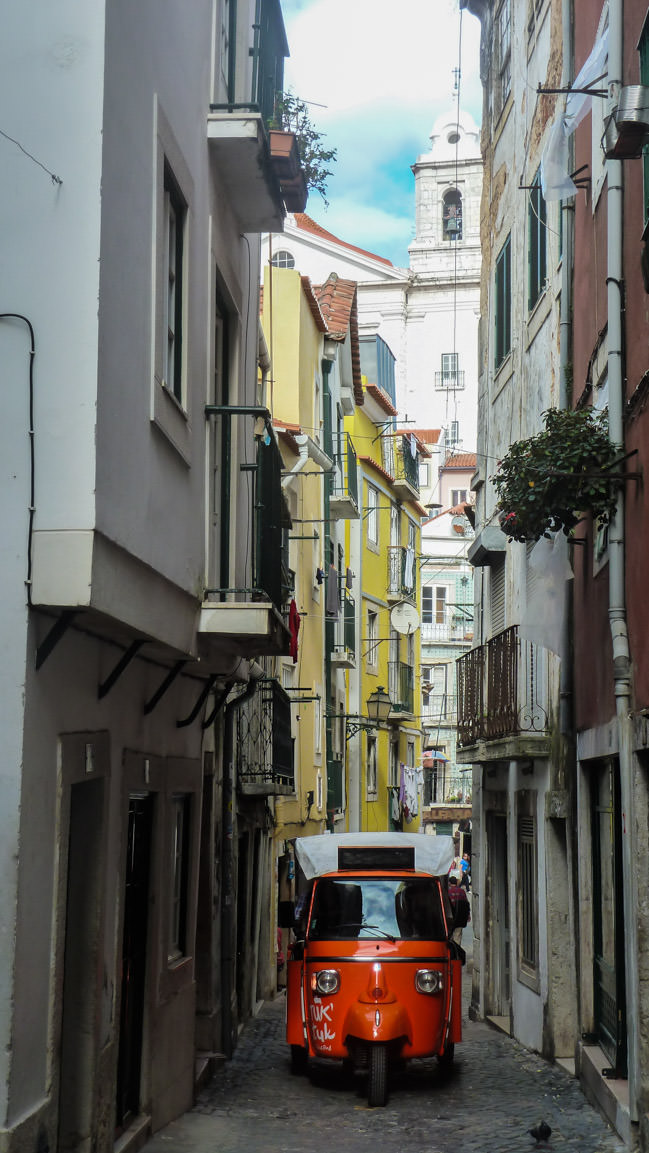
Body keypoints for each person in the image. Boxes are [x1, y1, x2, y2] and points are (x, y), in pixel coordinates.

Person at [447, 872, 470, 946]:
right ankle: (457, 952)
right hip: (460, 917)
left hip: (450, 917)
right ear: (456, 883)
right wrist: (468, 915)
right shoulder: (462, 891)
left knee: (449, 936)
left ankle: (451, 952)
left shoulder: (448, 892)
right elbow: (466, 903)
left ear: (449, 883)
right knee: (457, 936)